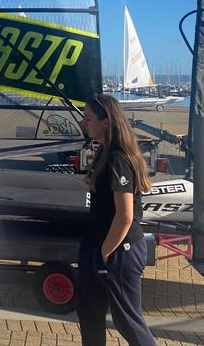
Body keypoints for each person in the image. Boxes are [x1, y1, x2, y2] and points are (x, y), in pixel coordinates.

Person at [76, 94, 156, 346]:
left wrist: (105, 252)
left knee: (128, 322)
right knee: (89, 314)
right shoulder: (103, 151)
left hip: (118, 250)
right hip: (96, 245)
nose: (84, 122)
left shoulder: (118, 159)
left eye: (88, 118)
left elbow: (124, 216)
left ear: (106, 121)